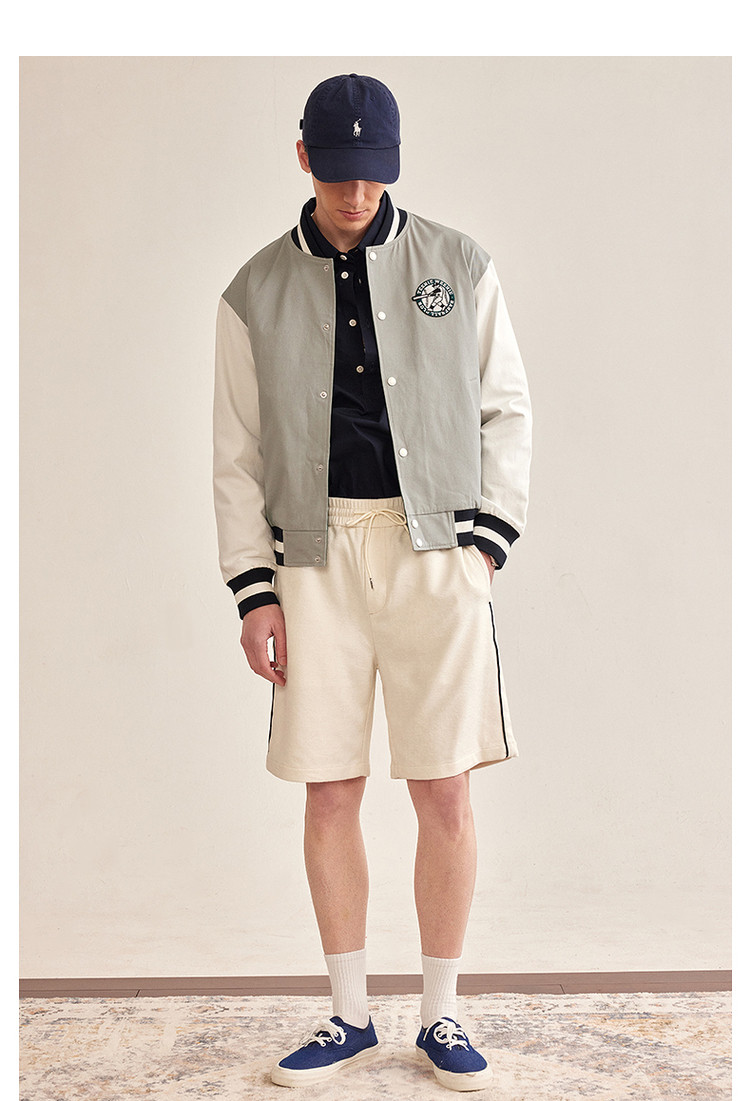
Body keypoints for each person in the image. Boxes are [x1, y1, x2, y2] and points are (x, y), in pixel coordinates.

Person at [212, 72, 532, 1091]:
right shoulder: (253, 291)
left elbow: (506, 407)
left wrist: (484, 546)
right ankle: (348, 1015)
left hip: (438, 551)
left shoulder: (457, 265)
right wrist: (254, 589)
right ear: (304, 158)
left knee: (445, 787)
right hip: (312, 559)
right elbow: (236, 455)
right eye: (339, 173)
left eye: (374, 174)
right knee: (329, 787)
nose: (357, 195)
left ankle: (440, 1013)